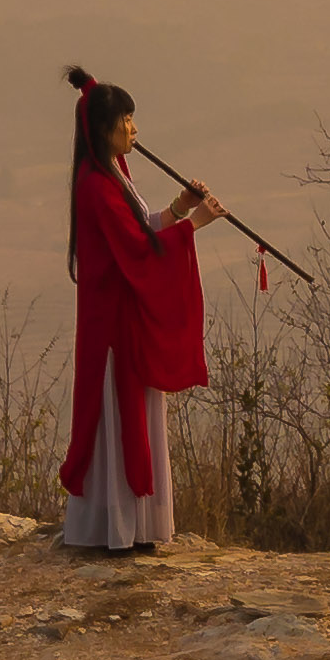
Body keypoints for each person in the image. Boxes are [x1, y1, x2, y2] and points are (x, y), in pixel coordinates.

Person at [56, 69, 215, 552]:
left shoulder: (111, 176)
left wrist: (180, 208)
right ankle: (117, 531)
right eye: (127, 119)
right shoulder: (97, 186)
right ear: (105, 128)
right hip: (113, 328)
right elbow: (138, 250)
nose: (134, 129)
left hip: (122, 321)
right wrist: (195, 227)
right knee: (118, 422)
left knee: (131, 422)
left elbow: (140, 230)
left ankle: (131, 527)